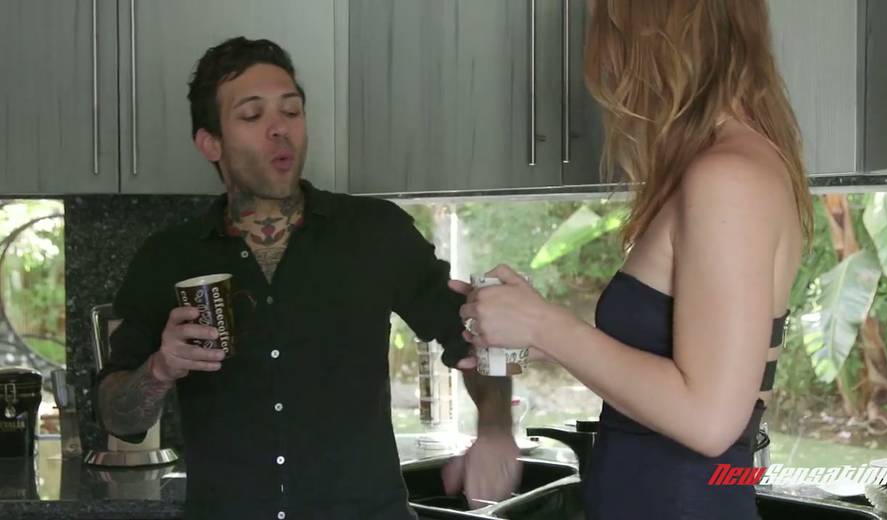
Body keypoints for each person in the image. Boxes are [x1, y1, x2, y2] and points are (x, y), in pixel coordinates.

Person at [95, 37, 520, 520]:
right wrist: (159, 369)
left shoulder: (375, 233)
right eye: (252, 115)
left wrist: (495, 430)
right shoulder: (168, 257)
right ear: (211, 142)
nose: (280, 128)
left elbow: (474, 339)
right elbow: (116, 417)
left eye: (292, 111)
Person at [457, 1, 813, 518]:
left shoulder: (728, 177)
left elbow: (710, 420)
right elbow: (685, 379)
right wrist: (537, 335)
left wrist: (545, 326)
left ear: (660, 36)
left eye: (613, 30)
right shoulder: (732, 165)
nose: (607, 61)